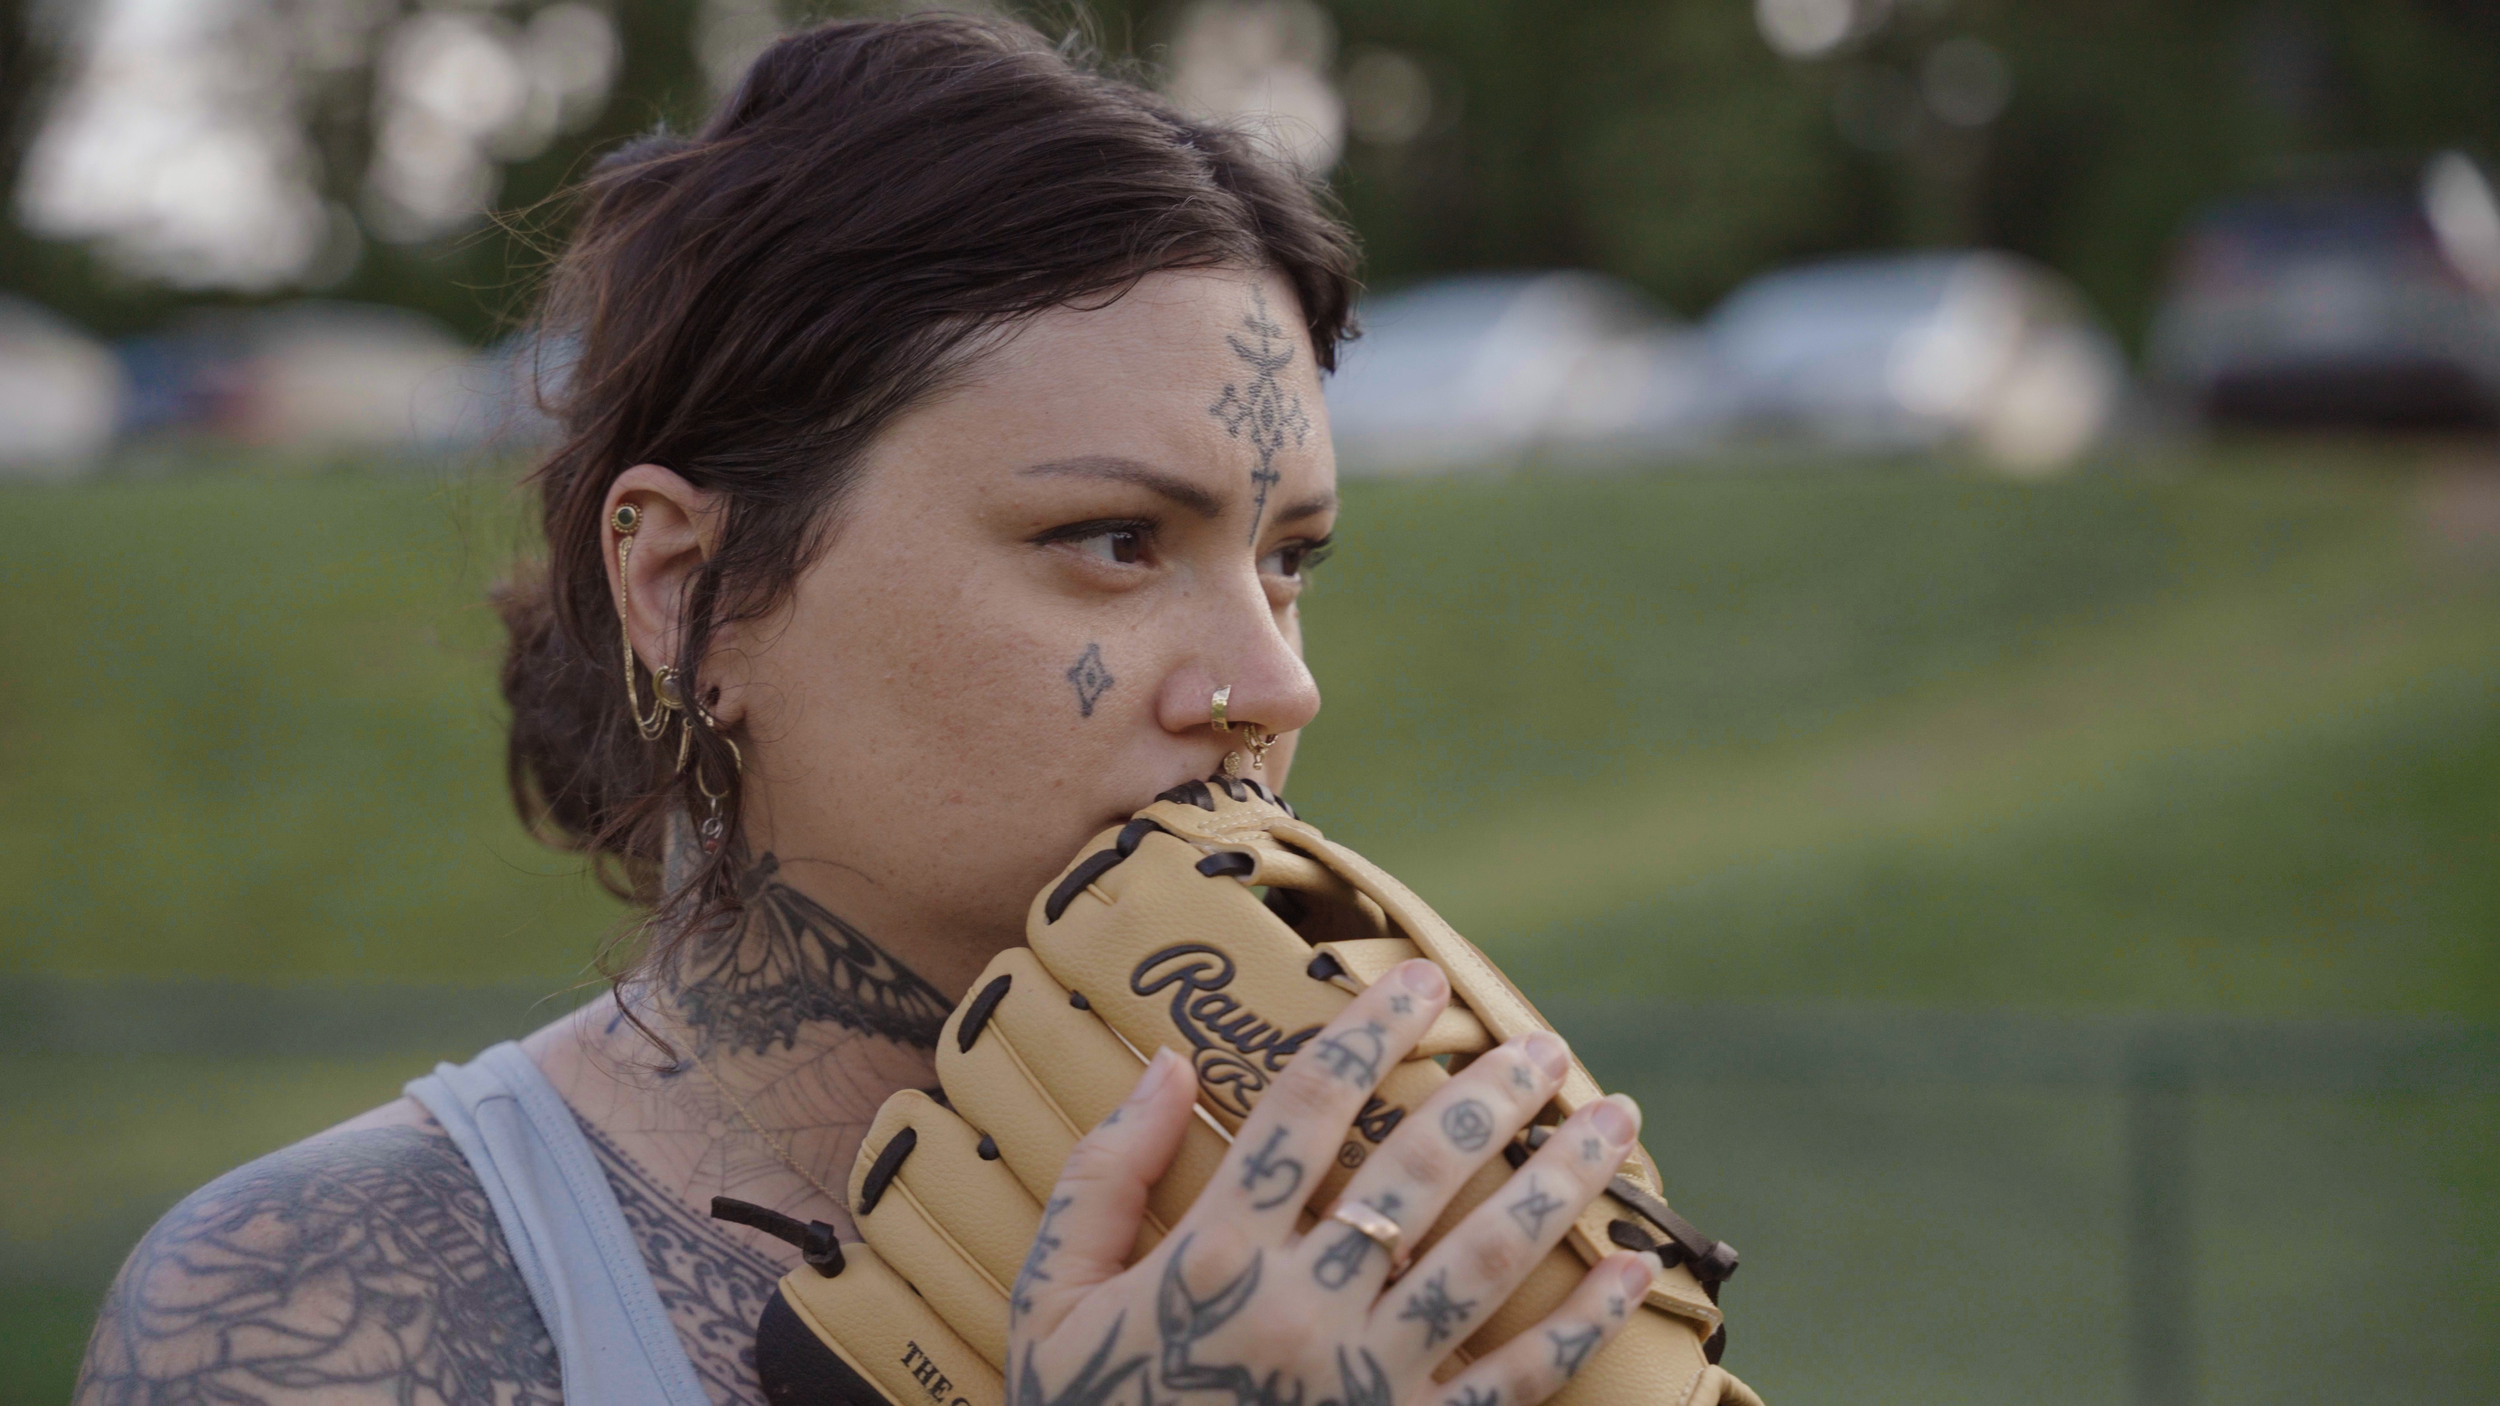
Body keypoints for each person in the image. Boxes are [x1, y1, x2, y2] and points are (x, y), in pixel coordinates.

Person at [75, 15, 1661, 1405]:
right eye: (1113, 541)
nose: (1271, 684)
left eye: (1288, 558)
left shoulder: (1419, 1248)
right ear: (690, 587)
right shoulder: (320, 1303)